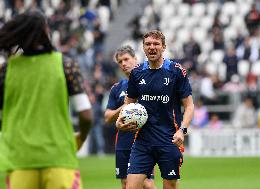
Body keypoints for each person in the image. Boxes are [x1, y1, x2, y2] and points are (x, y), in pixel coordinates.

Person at [0, 10, 92, 189]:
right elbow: (86, 115)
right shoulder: (66, 65)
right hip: (59, 159)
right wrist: (80, 138)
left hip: (20, 161)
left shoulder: (6, 71)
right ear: (45, 32)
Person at [116, 30, 194, 189]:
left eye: (156, 44)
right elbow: (128, 104)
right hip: (143, 142)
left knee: (170, 185)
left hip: (169, 140)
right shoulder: (136, 73)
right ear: (143, 48)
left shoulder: (176, 71)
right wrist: (120, 120)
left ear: (163, 47)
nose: (152, 47)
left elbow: (189, 106)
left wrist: (182, 130)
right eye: (148, 44)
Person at [104, 46, 156, 189]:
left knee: (147, 183)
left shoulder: (148, 82)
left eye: (126, 59)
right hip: (123, 142)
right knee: (125, 183)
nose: (123, 64)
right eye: (120, 62)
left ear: (135, 59)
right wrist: (127, 107)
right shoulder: (117, 88)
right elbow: (107, 117)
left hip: (144, 140)